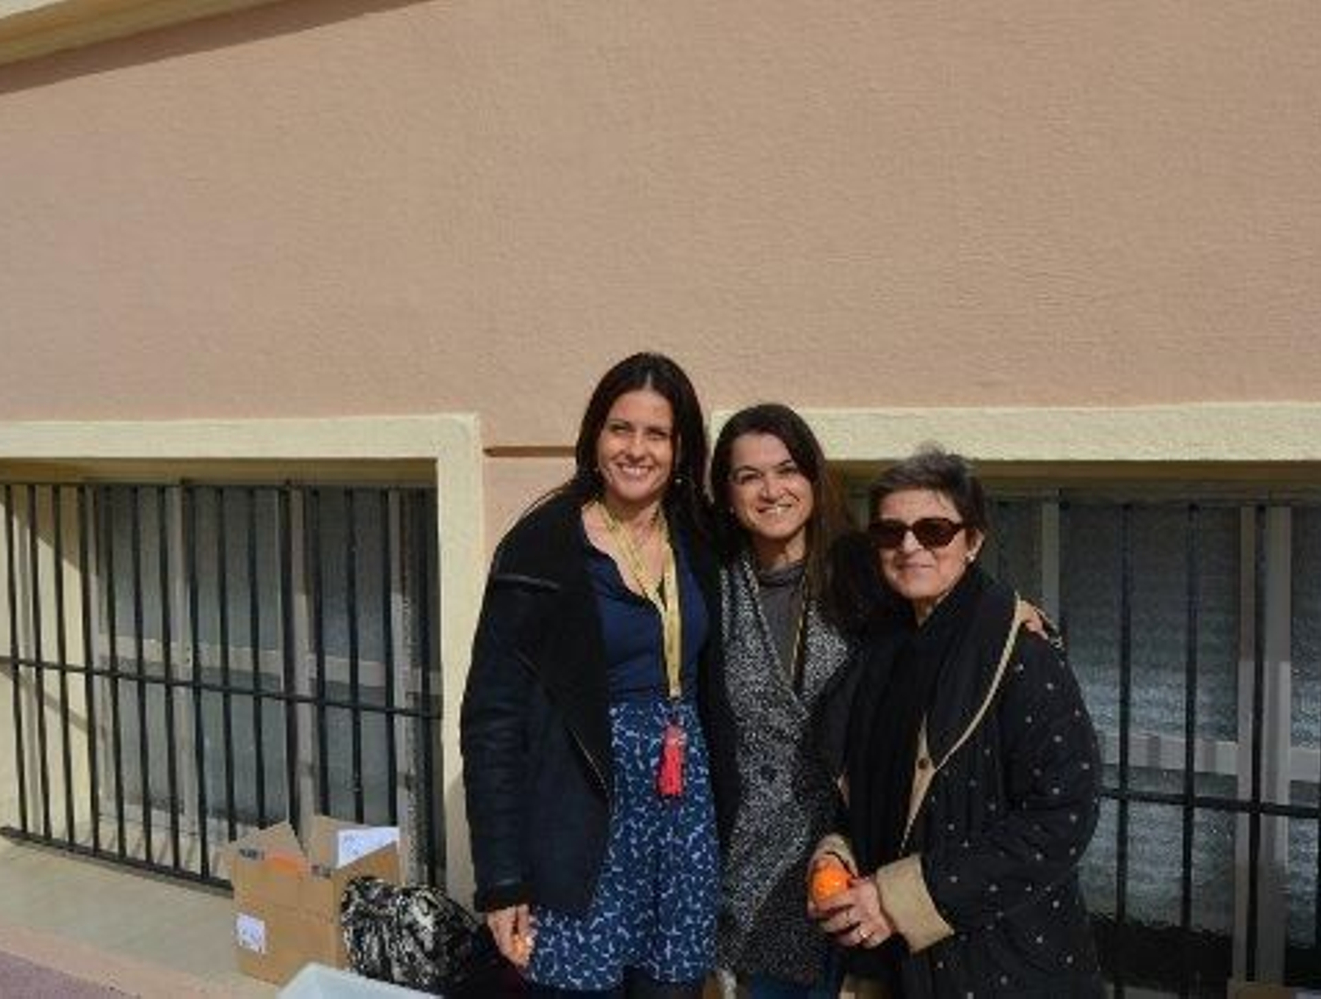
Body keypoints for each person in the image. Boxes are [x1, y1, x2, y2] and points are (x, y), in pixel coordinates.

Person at [460, 352, 721, 998]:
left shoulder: (701, 537)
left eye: (656, 433)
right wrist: (502, 880)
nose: (636, 449)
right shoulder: (542, 548)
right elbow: (492, 718)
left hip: (681, 830)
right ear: (594, 437)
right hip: (578, 827)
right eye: (620, 428)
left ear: (680, 448)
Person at [813, 448, 1103, 997]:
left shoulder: (1023, 656)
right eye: (890, 532)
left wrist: (898, 899)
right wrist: (836, 854)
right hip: (894, 967)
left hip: (999, 964)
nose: (910, 546)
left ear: (972, 541)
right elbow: (866, 793)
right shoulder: (878, 655)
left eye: (934, 530)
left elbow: (1061, 817)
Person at [705, 404, 858, 999]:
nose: (772, 491)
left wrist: (1010, 613)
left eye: (787, 470)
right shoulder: (710, 587)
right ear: (728, 494)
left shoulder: (865, 577)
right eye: (749, 477)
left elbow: (946, 603)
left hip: (847, 858)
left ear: (813, 478)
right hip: (745, 871)